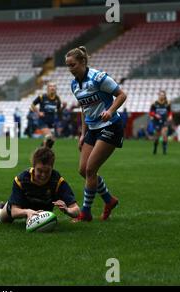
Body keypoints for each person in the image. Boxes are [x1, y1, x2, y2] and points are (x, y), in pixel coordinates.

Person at [65, 46, 127, 222]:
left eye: (73, 65)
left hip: (110, 126)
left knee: (91, 169)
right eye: (68, 66)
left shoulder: (99, 78)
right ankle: (109, 200)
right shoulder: (74, 84)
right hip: (92, 129)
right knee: (83, 170)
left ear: (83, 62)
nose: (70, 69)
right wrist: (82, 133)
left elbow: (121, 95)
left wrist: (110, 110)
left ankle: (85, 213)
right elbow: (85, 109)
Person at [0, 147, 80, 224]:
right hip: (20, 208)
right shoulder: (21, 180)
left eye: (47, 171)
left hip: (41, 212)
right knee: (1, 220)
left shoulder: (58, 182)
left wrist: (67, 210)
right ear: (33, 166)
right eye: (39, 171)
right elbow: (14, 211)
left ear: (52, 167)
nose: (43, 175)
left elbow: (76, 210)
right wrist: (27, 211)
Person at [30, 82, 62, 148]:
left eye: (54, 86)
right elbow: (32, 105)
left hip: (51, 122)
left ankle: (41, 150)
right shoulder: (42, 97)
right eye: (50, 86)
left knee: (52, 140)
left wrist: (59, 123)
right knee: (49, 136)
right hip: (43, 121)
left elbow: (59, 110)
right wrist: (38, 112)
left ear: (56, 88)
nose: (52, 87)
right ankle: (42, 153)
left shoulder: (57, 99)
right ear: (47, 88)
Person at [149, 90, 172, 155]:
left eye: (163, 95)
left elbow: (170, 111)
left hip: (164, 121)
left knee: (164, 134)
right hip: (156, 121)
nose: (162, 96)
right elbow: (151, 112)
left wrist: (170, 116)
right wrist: (155, 115)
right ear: (158, 96)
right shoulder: (154, 103)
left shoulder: (167, 103)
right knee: (157, 136)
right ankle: (155, 147)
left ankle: (164, 150)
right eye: (160, 95)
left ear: (165, 96)